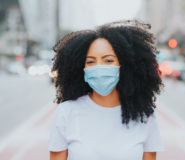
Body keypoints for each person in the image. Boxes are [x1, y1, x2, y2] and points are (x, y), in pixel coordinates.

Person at [48, 20, 164, 160]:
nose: (99, 67)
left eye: (108, 60)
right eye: (91, 61)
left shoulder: (145, 115)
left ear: (125, 65)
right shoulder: (66, 112)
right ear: (81, 68)